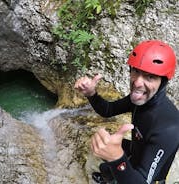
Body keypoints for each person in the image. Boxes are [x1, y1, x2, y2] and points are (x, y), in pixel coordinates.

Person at [74, 40, 179, 184]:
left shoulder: (169, 128)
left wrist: (117, 159)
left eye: (150, 76)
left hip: (146, 178)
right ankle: (108, 177)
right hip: (135, 152)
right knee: (105, 166)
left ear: (163, 82)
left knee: (111, 162)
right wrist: (91, 94)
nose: (137, 83)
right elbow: (108, 110)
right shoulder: (141, 99)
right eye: (135, 71)